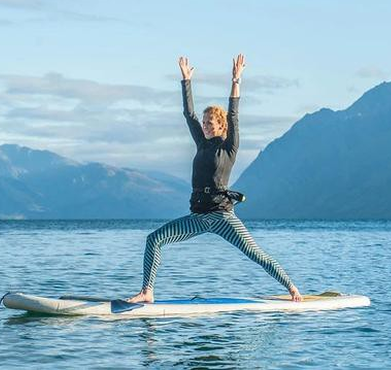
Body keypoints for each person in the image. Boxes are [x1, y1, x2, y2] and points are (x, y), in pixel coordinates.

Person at [127, 54, 303, 303]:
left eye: (211, 123)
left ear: (221, 126)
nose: (206, 126)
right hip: (198, 217)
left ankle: (293, 289)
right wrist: (186, 81)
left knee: (256, 254)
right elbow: (189, 115)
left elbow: (234, 114)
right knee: (153, 239)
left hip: (222, 216)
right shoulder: (201, 144)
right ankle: (147, 291)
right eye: (205, 122)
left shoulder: (229, 147)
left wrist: (236, 80)